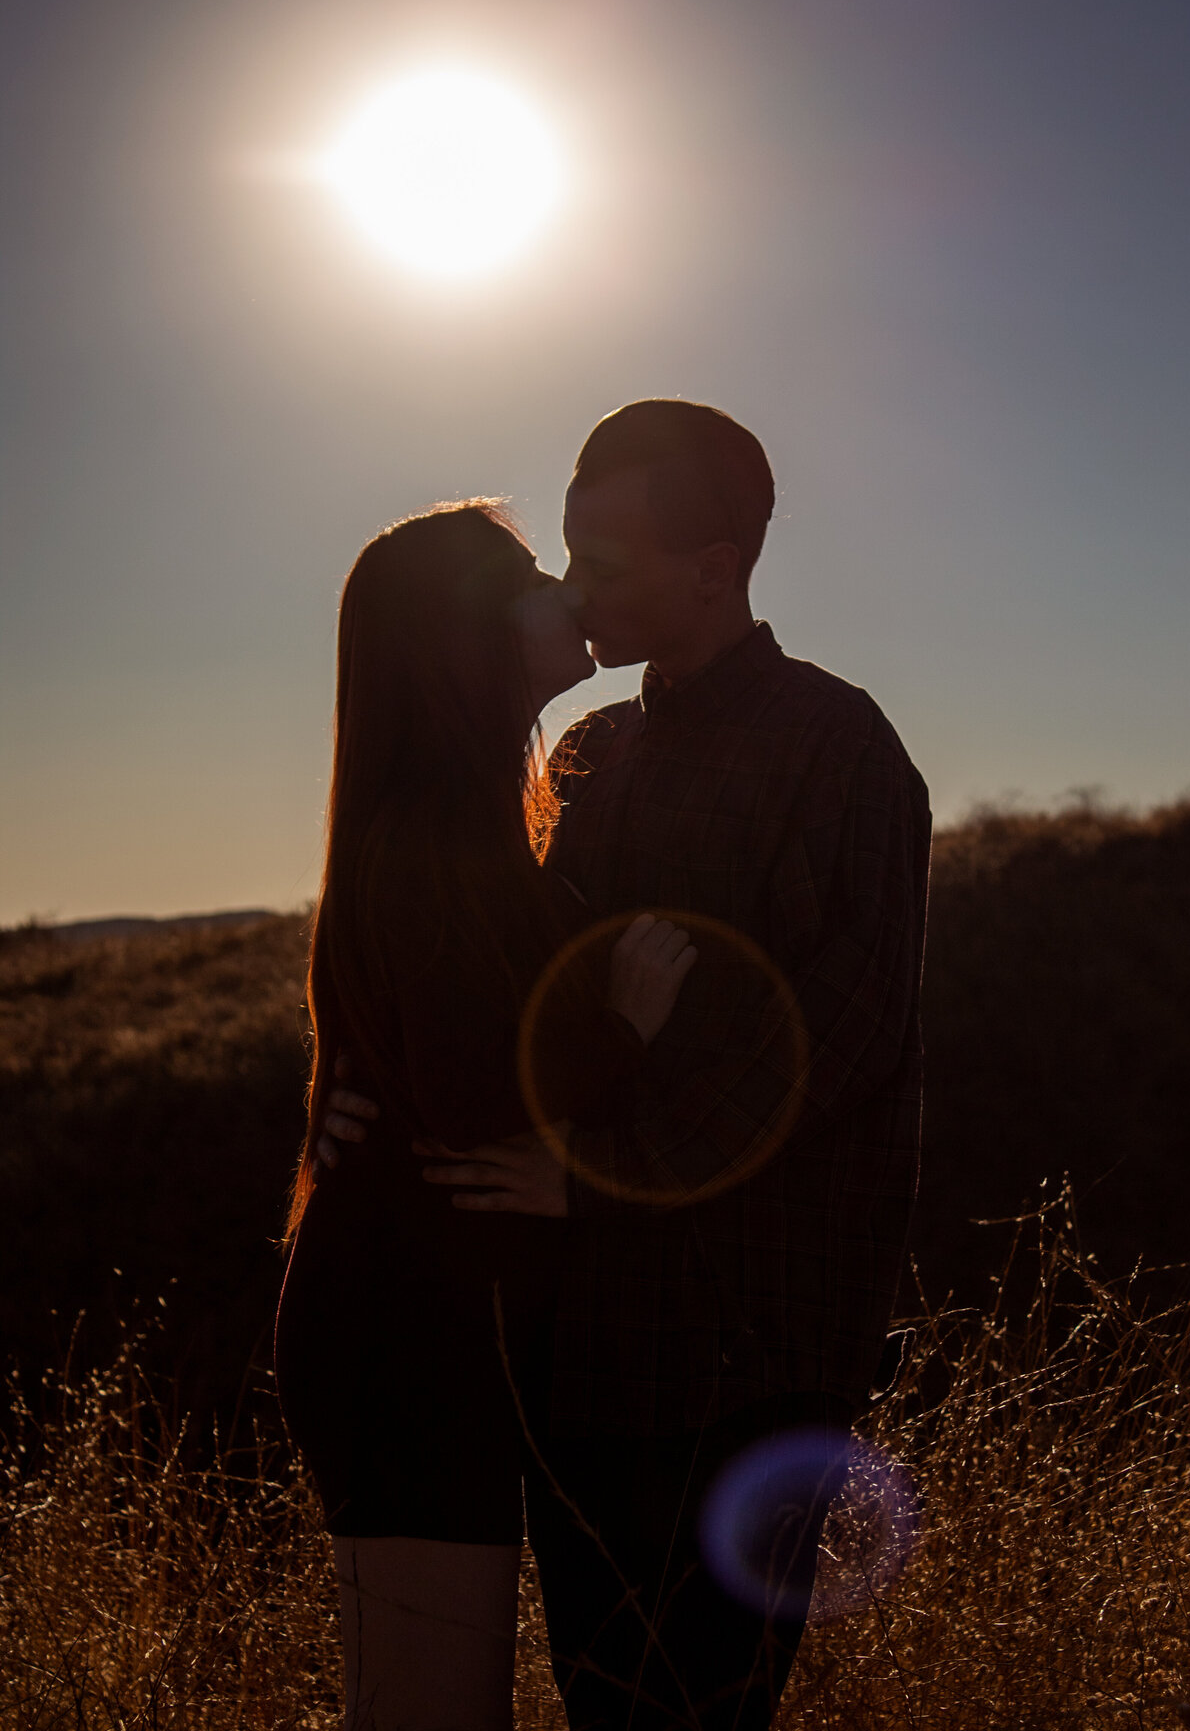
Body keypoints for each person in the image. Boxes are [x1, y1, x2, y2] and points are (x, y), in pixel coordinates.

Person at [321, 400, 932, 1731]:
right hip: (582, 1360)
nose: (576, 587)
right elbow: (490, 991)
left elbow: (842, 1039)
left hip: (746, 1359)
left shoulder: (839, 751)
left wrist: (596, 1180)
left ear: (713, 564)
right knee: (607, 1700)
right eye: (567, 554)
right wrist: (367, 1087)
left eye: (604, 560)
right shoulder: (592, 757)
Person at [274, 500, 698, 1731]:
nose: (565, 587)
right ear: (467, 635)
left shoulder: (466, 821)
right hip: (406, 1342)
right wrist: (620, 1025)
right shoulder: (431, 837)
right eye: (530, 576)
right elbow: (470, 1095)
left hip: (430, 1330)